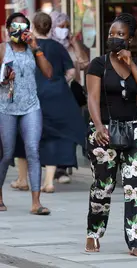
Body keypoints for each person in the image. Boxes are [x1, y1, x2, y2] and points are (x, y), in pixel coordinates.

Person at [85, 13, 137, 257]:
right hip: (104, 130)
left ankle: (135, 241)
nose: (114, 38)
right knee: (103, 186)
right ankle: (94, 233)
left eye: (120, 35)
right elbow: (92, 98)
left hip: (133, 131)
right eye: (111, 34)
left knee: (134, 188)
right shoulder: (98, 64)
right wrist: (98, 126)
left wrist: (131, 63)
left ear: (131, 39)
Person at [10, 12, 87, 193]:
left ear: (34, 27)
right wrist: (60, 83)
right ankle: (49, 182)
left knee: (23, 137)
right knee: (53, 136)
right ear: (50, 27)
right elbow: (71, 73)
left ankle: (22, 179)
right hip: (56, 97)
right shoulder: (59, 48)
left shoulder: (26, 47)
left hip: (31, 97)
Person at [0, 12, 52, 214]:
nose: (18, 30)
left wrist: (36, 47)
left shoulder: (33, 49)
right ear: (8, 29)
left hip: (31, 106)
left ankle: (36, 203)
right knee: (6, 154)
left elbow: (48, 73)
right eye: (14, 26)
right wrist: (3, 79)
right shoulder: (3, 49)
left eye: (23, 27)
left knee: (33, 150)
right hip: (6, 107)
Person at [50, 11, 90, 183]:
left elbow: (85, 63)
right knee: (55, 129)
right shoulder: (48, 45)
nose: (64, 30)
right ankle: (54, 165)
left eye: (67, 27)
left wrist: (75, 44)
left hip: (71, 92)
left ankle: (63, 167)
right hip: (53, 93)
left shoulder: (72, 44)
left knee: (70, 129)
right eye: (61, 26)